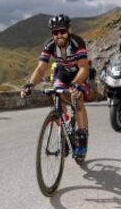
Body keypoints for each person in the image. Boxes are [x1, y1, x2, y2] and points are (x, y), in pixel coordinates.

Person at [21, 14, 89, 158]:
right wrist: (30, 85)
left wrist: (76, 84)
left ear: (69, 30)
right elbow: (40, 69)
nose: (59, 36)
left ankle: (82, 139)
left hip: (78, 74)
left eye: (62, 31)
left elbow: (84, 68)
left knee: (77, 99)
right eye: (55, 33)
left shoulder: (77, 42)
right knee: (56, 95)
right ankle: (64, 129)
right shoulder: (49, 45)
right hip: (62, 73)